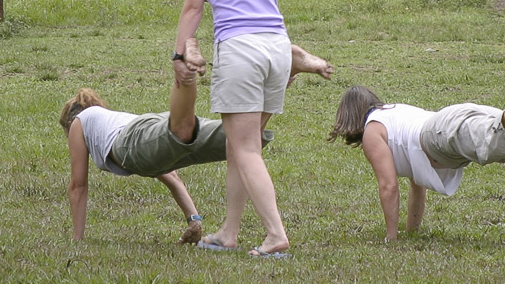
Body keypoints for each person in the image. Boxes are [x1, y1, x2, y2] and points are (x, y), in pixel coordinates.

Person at [62, 44, 333, 242]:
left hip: (137, 138)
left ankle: (185, 71)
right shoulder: (109, 121)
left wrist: (77, 239)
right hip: (153, 135)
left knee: (181, 130)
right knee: (242, 139)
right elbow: (170, 175)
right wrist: (194, 220)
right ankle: (281, 75)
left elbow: (78, 186)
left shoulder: (81, 122)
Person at [329, 65, 505, 242]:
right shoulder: (392, 114)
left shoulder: (373, 130)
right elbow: (417, 183)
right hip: (450, 124)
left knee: (502, 135)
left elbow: (389, 186)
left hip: (443, 132)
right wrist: (412, 232)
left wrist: (391, 238)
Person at [174, 0, 293, 258]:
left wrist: (179, 55)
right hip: (279, 49)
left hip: (242, 52)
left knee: (245, 149)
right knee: (240, 146)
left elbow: (193, 8)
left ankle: (275, 234)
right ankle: (229, 231)